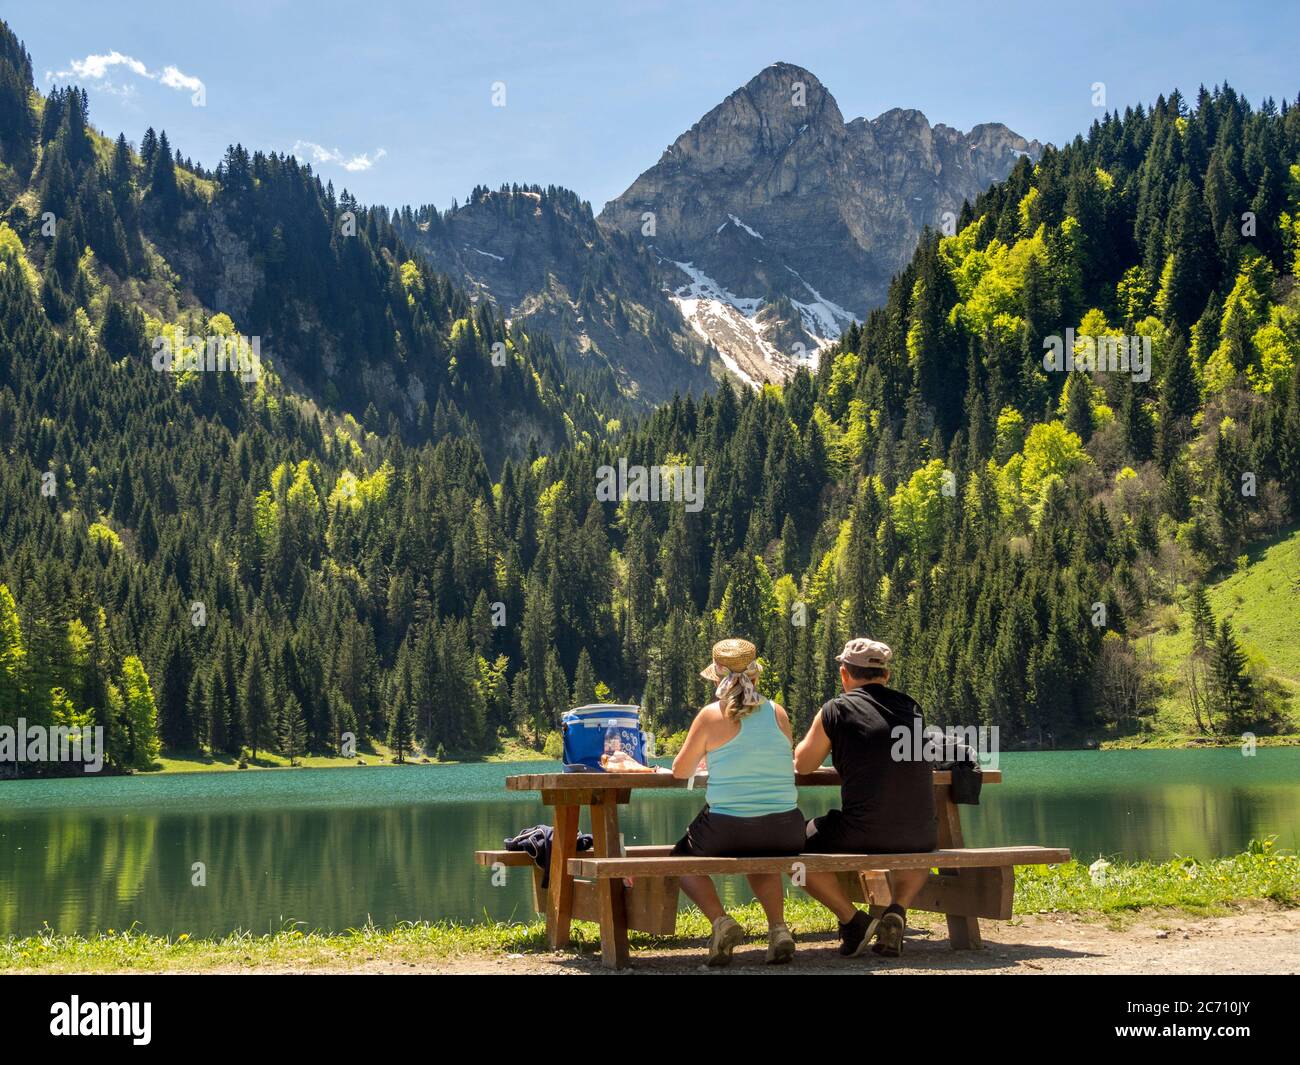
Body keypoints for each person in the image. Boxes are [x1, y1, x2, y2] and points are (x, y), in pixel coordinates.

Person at [793, 638, 937, 958]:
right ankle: (896, 911)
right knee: (914, 837)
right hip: (921, 835)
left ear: (845, 675)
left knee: (786, 845)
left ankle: (853, 920)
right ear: (885, 675)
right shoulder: (911, 707)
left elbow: (803, 765)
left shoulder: (836, 709)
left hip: (863, 832)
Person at [670, 637, 805, 966]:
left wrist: (709, 758)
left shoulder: (709, 716)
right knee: (761, 853)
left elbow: (680, 771)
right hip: (786, 829)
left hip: (728, 829)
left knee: (678, 860)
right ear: (756, 675)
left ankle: (722, 921)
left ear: (716, 677)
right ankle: (778, 929)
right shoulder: (778, 713)